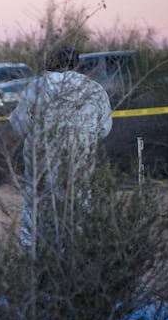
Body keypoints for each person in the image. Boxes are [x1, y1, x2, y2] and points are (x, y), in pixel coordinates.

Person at [9, 46, 113, 254]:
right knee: (79, 208)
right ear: (77, 63)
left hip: (42, 163)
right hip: (79, 162)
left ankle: (33, 260)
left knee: (37, 208)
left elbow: (18, 125)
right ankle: (75, 256)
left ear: (51, 61)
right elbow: (104, 128)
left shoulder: (35, 89)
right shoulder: (94, 89)